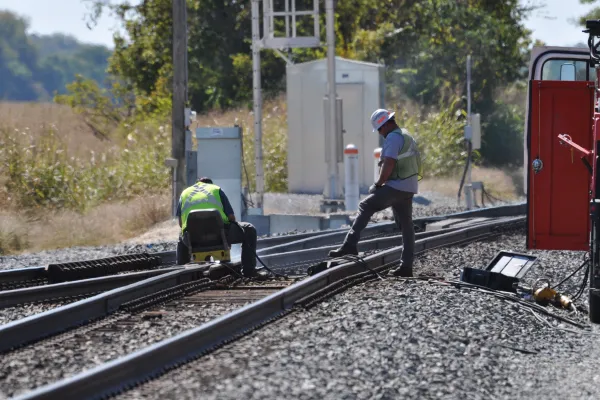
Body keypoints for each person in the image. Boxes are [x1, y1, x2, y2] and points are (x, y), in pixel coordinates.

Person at [328, 109, 422, 277]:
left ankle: (350, 244)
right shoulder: (405, 134)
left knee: (366, 205)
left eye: (379, 129)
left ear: (385, 124)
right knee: (407, 226)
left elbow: (389, 163)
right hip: (409, 186)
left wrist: (378, 184)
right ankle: (406, 267)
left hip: (397, 186)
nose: (380, 133)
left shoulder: (393, 137)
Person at [176, 177, 268, 280]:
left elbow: (181, 223)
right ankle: (249, 271)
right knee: (249, 229)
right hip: (220, 236)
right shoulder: (216, 190)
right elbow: (231, 218)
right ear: (210, 184)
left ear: (197, 184)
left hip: (193, 239)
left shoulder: (185, 193)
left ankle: (181, 273)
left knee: (181, 235)